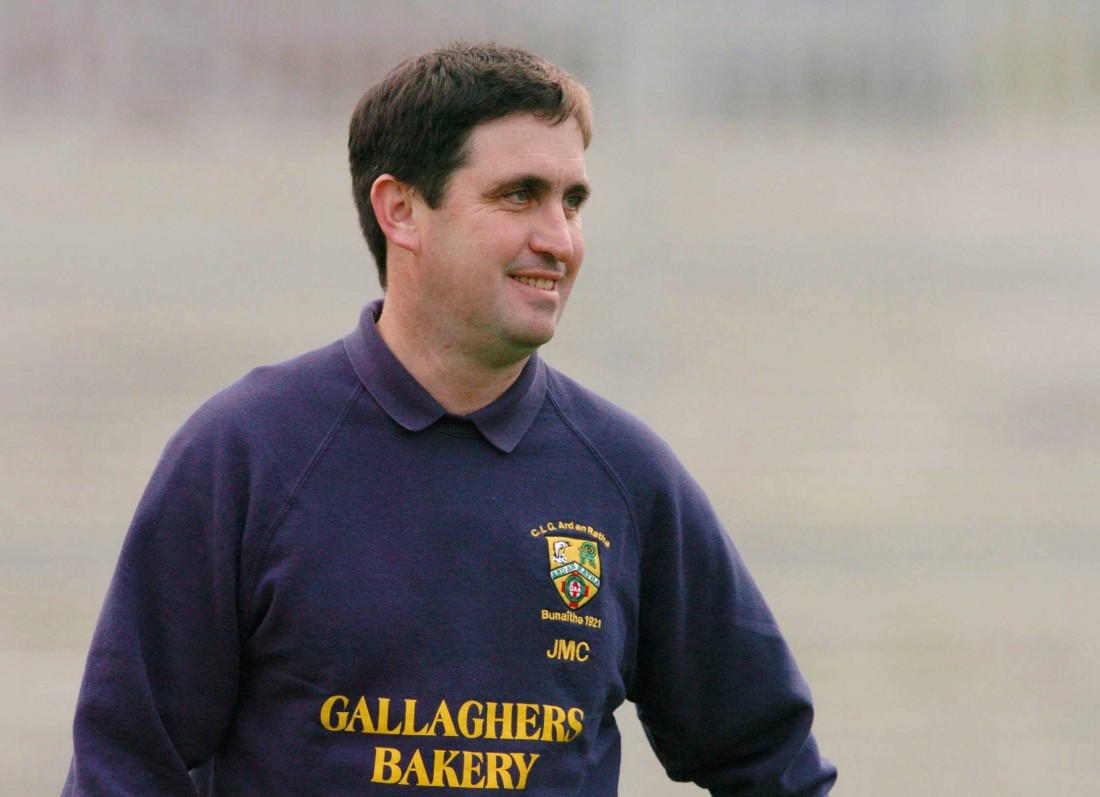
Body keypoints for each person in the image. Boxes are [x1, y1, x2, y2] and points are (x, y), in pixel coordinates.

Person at [62, 43, 836, 796]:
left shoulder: (627, 475)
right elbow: (126, 767)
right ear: (401, 210)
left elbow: (772, 758)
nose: (560, 239)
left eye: (572, 201)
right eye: (518, 194)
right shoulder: (247, 454)